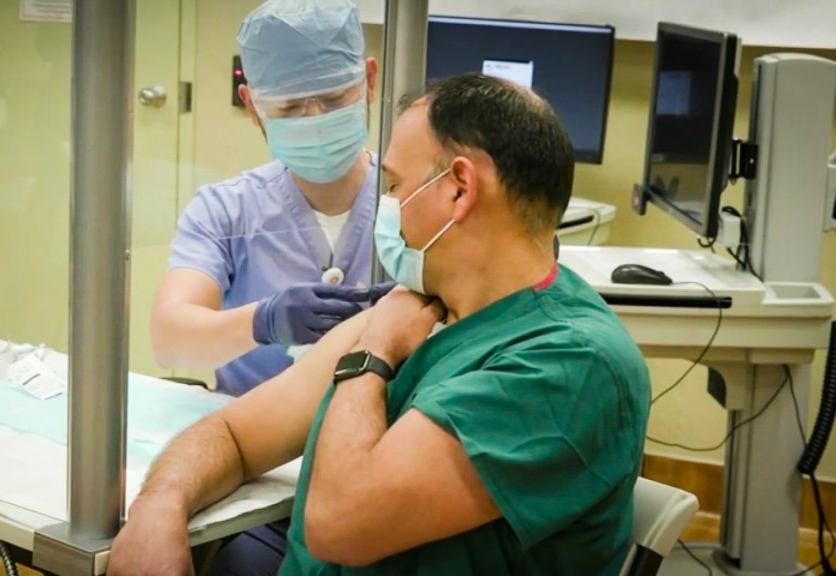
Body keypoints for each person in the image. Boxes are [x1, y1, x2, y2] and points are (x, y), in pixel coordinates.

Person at [109, 73, 651, 576]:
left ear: (459, 189)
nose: (387, 207)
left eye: (393, 187)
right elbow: (234, 434)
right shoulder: (421, 307)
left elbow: (338, 525)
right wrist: (161, 504)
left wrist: (372, 357)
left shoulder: (568, 362)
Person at [150, 0, 391, 398]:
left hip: (379, 437)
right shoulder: (225, 210)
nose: (314, 119)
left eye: (333, 100)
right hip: (247, 435)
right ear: (252, 106)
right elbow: (169, 339)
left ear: (369, 80)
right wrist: (263, 322)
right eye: (291, 106)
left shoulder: (413, 200)